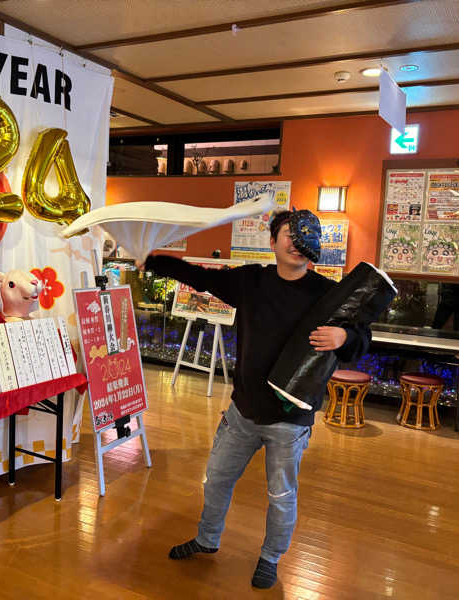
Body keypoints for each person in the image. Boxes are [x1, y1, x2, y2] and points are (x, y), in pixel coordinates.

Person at [143, 210, 370, 589]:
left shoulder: (326, 294)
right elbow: (199, 277)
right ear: (273, 241)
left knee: (281, 495)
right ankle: (207, 538)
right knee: (216, 478)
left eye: (302, 237)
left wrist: (345, 339)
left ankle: (270, 557)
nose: (295, 243)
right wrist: (151, 261)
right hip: (243, 409)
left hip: (290, 418)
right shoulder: (251, 281)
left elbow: (363, 336)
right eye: (287, 234)